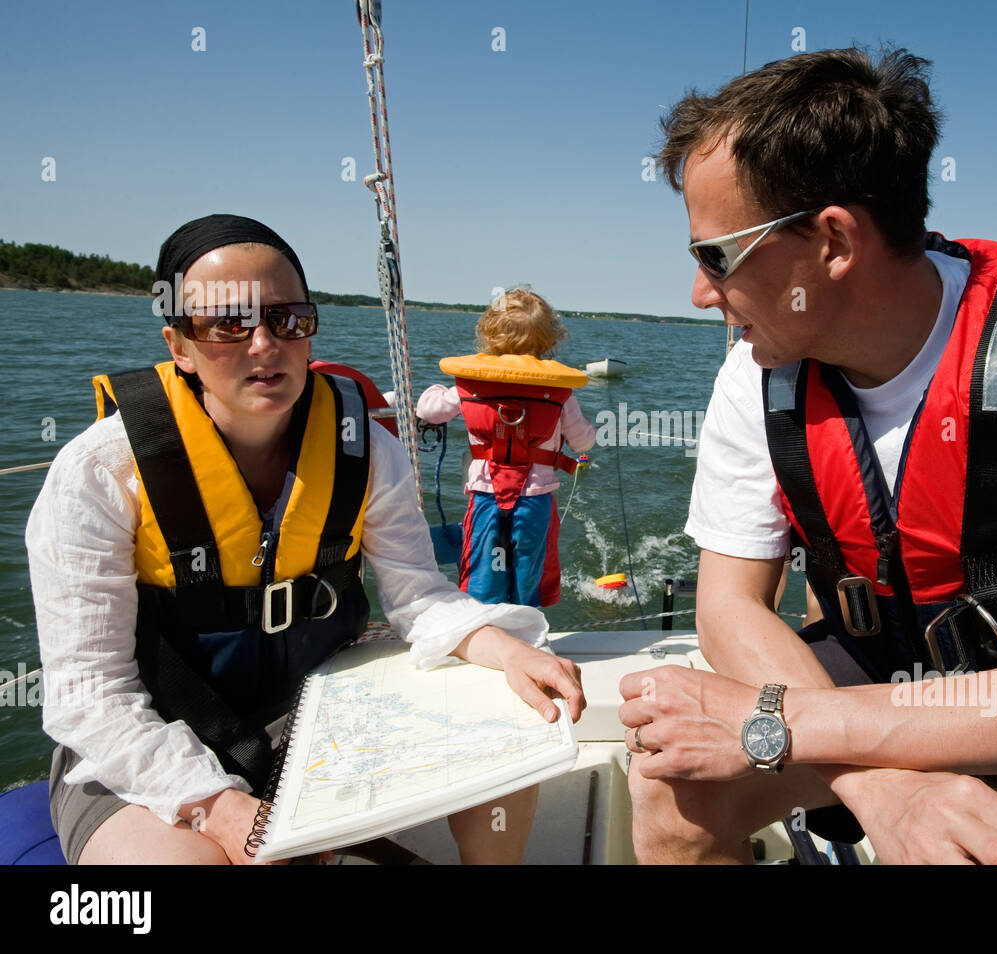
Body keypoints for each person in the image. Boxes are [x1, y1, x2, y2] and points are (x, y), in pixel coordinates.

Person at [618, 48, 997, 864]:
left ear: (834, 241)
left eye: (717, 256)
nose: (701, 293)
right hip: (866, 682)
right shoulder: (759, 369)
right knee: (673, 792)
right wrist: (881, 781)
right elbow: (730, 607)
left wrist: (793, 732)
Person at [28, 214, 584, 865]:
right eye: (228, 324)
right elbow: (90, 697)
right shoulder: (99, 472)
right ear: (179, 343)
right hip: (146, 741)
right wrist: (223, 808)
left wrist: (504, 648)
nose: (264, 344)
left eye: (287, 320)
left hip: (315, 714)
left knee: (511, 707)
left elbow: (417, 597)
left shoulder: (367, 450)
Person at [417, 288, 595, 608]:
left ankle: (489, 635)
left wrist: (434, 390)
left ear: (488, 334)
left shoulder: (469, 383)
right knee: (528, 571)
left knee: (485, 570)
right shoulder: (560, 392)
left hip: (485, 498)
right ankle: (526, 631)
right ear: (549, 340)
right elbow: (583, 442)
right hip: (536, 502)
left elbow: (430, 412)